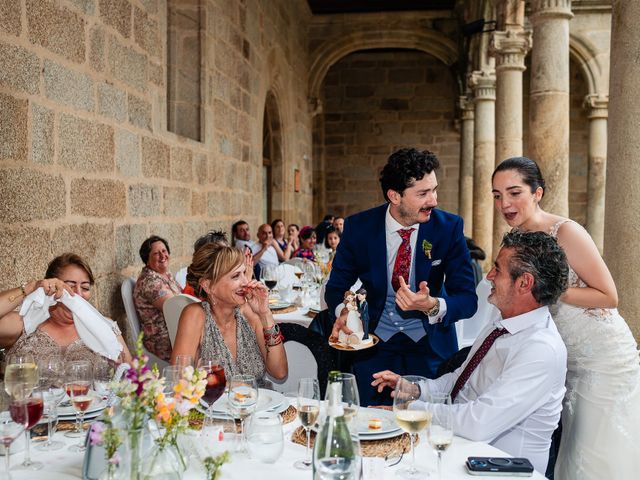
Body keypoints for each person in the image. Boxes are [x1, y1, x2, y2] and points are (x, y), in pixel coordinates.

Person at [492, 156, 640, 480]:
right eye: (498, 195)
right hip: (563, 358)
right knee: (571, 450)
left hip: (601, 357)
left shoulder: (566, 231)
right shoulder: (516, 242)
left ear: (537, 193)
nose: (505, 203)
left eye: (514, 192)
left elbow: (609, 296)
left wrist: (550, 290)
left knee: (597, 451)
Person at [373, 231, 569, 474]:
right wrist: (415, 390)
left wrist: (408, 410)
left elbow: (478, 422)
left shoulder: (541, 350)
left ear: (524, 283)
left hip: (498, 468)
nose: (489, 276)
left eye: (497, 269)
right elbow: (460, 380)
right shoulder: (502, 320)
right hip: (460, 447)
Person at [325, 148, 477, 406]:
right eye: (423, 194)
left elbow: (467, 299)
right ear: (394, 196)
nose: (434, 200)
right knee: (371, 425)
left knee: (428, 428)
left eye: (434, 190)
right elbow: (335, 287)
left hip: (431, 348)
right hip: (374, 346)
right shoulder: (359, 228)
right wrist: (344, 312)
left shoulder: (447, 228)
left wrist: (433, 306)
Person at [170, 245, 287, 385]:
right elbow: (179, 379)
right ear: (208, 286)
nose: (245, 282)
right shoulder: (196, 316)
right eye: (236, 276)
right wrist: (231, 386)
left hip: (262, 403)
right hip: (214, 404)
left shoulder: (250, 313)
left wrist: (265, 314)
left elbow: (279, 372)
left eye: (244, 273)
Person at [0, 253, 132, 364]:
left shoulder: (103, 327)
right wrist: (30, 288)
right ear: (50, 287)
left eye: (85, 288)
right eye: (69, 286)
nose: (79, 294)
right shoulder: (25, 324)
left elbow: (132, 376)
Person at [133, 235, 182, 361]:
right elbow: (175, 309)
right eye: (156, 253)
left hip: (174, 331)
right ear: (147, 260)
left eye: (164, 251)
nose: (162, 256)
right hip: (163, 340)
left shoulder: (165, 274)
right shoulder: (150, 281)